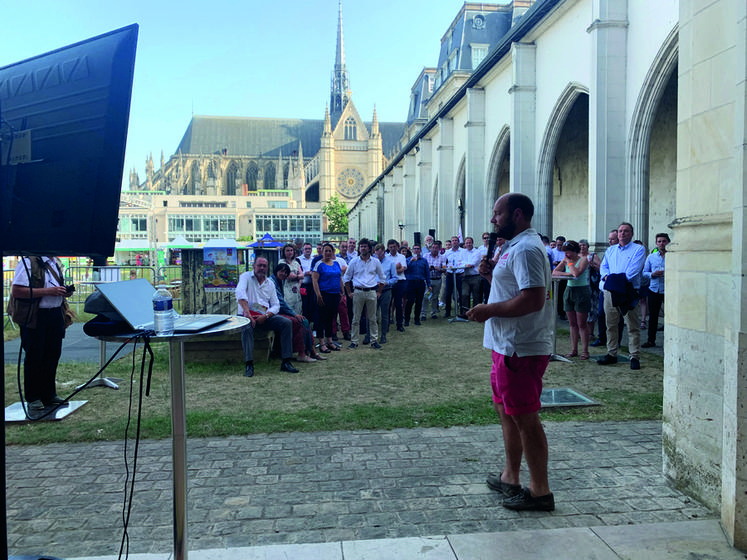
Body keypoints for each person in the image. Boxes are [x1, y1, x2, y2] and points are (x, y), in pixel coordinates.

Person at [466, 193, 555, 512]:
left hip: (521, 348)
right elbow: (512, 289)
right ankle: (511, 477)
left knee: (526, 418)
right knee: (508, 414)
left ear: (517, 215)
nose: (492, 219)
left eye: (497, 214)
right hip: (504, 346)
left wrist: (488, 310)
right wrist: (490, 275)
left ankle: (540, 491)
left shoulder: (529, 248)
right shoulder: (511, 247)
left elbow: (533, 299)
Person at [11, 256, 72, 412]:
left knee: (52, 355)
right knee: (34, 356)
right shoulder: (28, 262)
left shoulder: (55, 263)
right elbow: (17, 291)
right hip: (35, 316)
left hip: (54, 315)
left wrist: (63, 292)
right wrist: (49, 291)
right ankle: (33, 397)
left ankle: (49, 394)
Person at [236, 257, 299, 377]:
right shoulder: (246, 277)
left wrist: (266, 315)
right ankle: (249, 364)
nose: (262, 268)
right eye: (259, 265)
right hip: (247, 315)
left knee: (286, 323)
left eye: (264, 266)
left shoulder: (270, 283)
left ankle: (286, 361)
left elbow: (276, 305)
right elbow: (240, 293)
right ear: (254, 266)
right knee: (246, 326)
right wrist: (247, 313)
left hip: (264, 317)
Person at [598, 222, 647, 370]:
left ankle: (634, 356)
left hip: (629, 290)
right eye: (620, 231)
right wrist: (608, 278)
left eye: (626, 231)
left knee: (632, 325)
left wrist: (611, 279)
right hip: (611, 292)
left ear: (632, 234)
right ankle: (612, 353)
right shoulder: (611, 250)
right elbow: (603, 267)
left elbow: (632, 272)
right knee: (611, 324)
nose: (622, 233)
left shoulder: (638, 249)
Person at [270, 263, 325, 363]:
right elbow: (280, 302)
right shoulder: (271, 282)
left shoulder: (280, 281)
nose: (283, 274)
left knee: (304, 320)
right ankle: (302, 353)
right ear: (276, 271)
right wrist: (294, 314)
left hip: (278, 311)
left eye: (286, 272)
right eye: (281, 271)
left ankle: (311, 351)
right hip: (272, 313)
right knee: (299, 322)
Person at [343, 238, 385, 349]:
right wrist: (349, 292)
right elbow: (346, 278)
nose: (363, 248)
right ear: (359, 248)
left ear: (370, 248)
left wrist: (379, 292)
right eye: (361, 246)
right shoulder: (354, 261)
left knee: (373, 319)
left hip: (371, 291)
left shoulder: (375, 262)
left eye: (365, 246)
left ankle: (374, 341)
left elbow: (382, 278)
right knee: (355, 319)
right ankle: (354, 341)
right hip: (358, 291)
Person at [553, 240, 591, 359]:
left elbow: (576, 273)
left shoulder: (583, 259)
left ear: (575, 252)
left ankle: (585, 350)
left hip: (581, 291)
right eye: (565, 252)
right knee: (572, 323)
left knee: (582, 324)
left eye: (568, 252)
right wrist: (566, 274)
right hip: (569, 290)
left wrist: (569, 263)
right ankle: (574, 349)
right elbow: (555, 272)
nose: (566, 255)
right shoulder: (565, 260)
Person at [312, 243, 344, 353]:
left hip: (335, 294)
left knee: (331, 318)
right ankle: (322, 343)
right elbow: (315, 280)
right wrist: (318, 294)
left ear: (333, 252)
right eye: (326, 251)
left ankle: (330, 341)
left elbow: (339, 278)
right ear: (322, 252)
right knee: (322, 319)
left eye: (330, 251)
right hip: (324, 294)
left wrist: (342, 291)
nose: (328, 253)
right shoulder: (318, 264)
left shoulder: (336, 264)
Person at [642, 232, 669, 348]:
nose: (661, 244)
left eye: (664, 241)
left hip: (668, 289)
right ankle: (650, 340)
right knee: (653, 316)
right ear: (656, 243)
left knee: (670, 316)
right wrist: (652, 274)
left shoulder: (673, 256)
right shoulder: (651, 257)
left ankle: (670, 341)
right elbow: (644, 273)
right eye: (659, 241)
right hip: (654, 289)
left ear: (668, 242)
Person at [373, 242, 397, 343]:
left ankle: (383, 335)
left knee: (385, 313)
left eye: (380, 254)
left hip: (386, 290)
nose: (378, 256)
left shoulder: (390, 263)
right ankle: (370, 335)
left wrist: (386, 283)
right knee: (372, 313)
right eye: (376, 254)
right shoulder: (372, 262)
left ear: (384, 252)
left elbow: (395, 278)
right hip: (373, 289)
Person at [579, 239, 601, 340]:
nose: (582, 247)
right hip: (579, 286)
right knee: (580, 310)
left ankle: (591, 333)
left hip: (591, 287)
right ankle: (581, 332)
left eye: (584, 245)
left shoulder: (592, 256)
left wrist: (593, 265)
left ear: (588, 246)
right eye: (580, 245)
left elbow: (601, 268)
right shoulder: (577, 256)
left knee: (591, 310)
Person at [404, 243, 430, 326]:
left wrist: (429, 285)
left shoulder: (424, 260)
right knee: (410, 301)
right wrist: (410, 262)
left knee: (419, 302)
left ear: (420, 250)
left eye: (418, 249)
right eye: (414, 248)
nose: (416, 250)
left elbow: (427, 273)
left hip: (420, 283)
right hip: (410, 283)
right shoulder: (408, 259)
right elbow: (404, 270)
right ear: (412, 250)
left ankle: (417, 319)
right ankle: (407, 319)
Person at [387, 239, 407, 332]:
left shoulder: (402, 257)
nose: (392, 248)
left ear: (397, 247)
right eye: (390, 247)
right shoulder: (386, 257)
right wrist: (396, 267)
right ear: (388, 247)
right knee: (388, 303)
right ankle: (386, 323)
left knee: (398, 303)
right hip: (390, 282)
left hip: (399, 282)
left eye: (394, 246)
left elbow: (402, 269)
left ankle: (399, 324)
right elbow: (386, 271)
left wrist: (392, 270)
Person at [424, 240, 446, 318]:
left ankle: (433, 313)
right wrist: (428, 269)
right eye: (433, 247)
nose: (434, 249)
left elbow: (444, 269)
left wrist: (439, 269)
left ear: (439, 249)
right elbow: (423, 267)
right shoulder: (426, 256)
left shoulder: (442, 257)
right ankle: (424, 313)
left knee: (435, 297)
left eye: (436, 248)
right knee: (426, 296)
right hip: (428, 279)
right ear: (430, 248)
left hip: (437, 279)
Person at [279, 243, 303, 316]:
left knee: (298, 309)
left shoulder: (296, 263)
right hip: (287, 289)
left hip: (296, 289)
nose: (290, 252)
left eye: (291, 250)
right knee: (289, 309)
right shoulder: (282, 262)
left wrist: (298, 281)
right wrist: (298, 276)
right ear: (284, 252)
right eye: (288, 250)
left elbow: (302, 275)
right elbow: (288, 276)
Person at [444, 236, 465, 318]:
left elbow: (466, 261)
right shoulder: (447, 252)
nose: (454, 242)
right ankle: (447, 312)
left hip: (459, 274)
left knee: (461, 293)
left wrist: (464, 271)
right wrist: (445, 270)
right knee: (448, 294)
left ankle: (461, 311)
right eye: (453, 240)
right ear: (451, 242)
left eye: (456, 240)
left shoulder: (463, 251)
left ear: (458, 242)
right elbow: (444, 262)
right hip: (450, 274)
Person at [461, 236, 482, 310]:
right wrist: (466, 264)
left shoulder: (477, 252)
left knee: (476, 295)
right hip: (465, 277)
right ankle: (465, 313)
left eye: (470, 242)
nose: (468, 244)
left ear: (472, 243)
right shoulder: (462, 252)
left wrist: (465, 264)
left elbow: (473, 263)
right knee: (464, 294)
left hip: (475, 276)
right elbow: (460, 262)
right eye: (467, 243)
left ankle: (476, 313)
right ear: (465, 244)